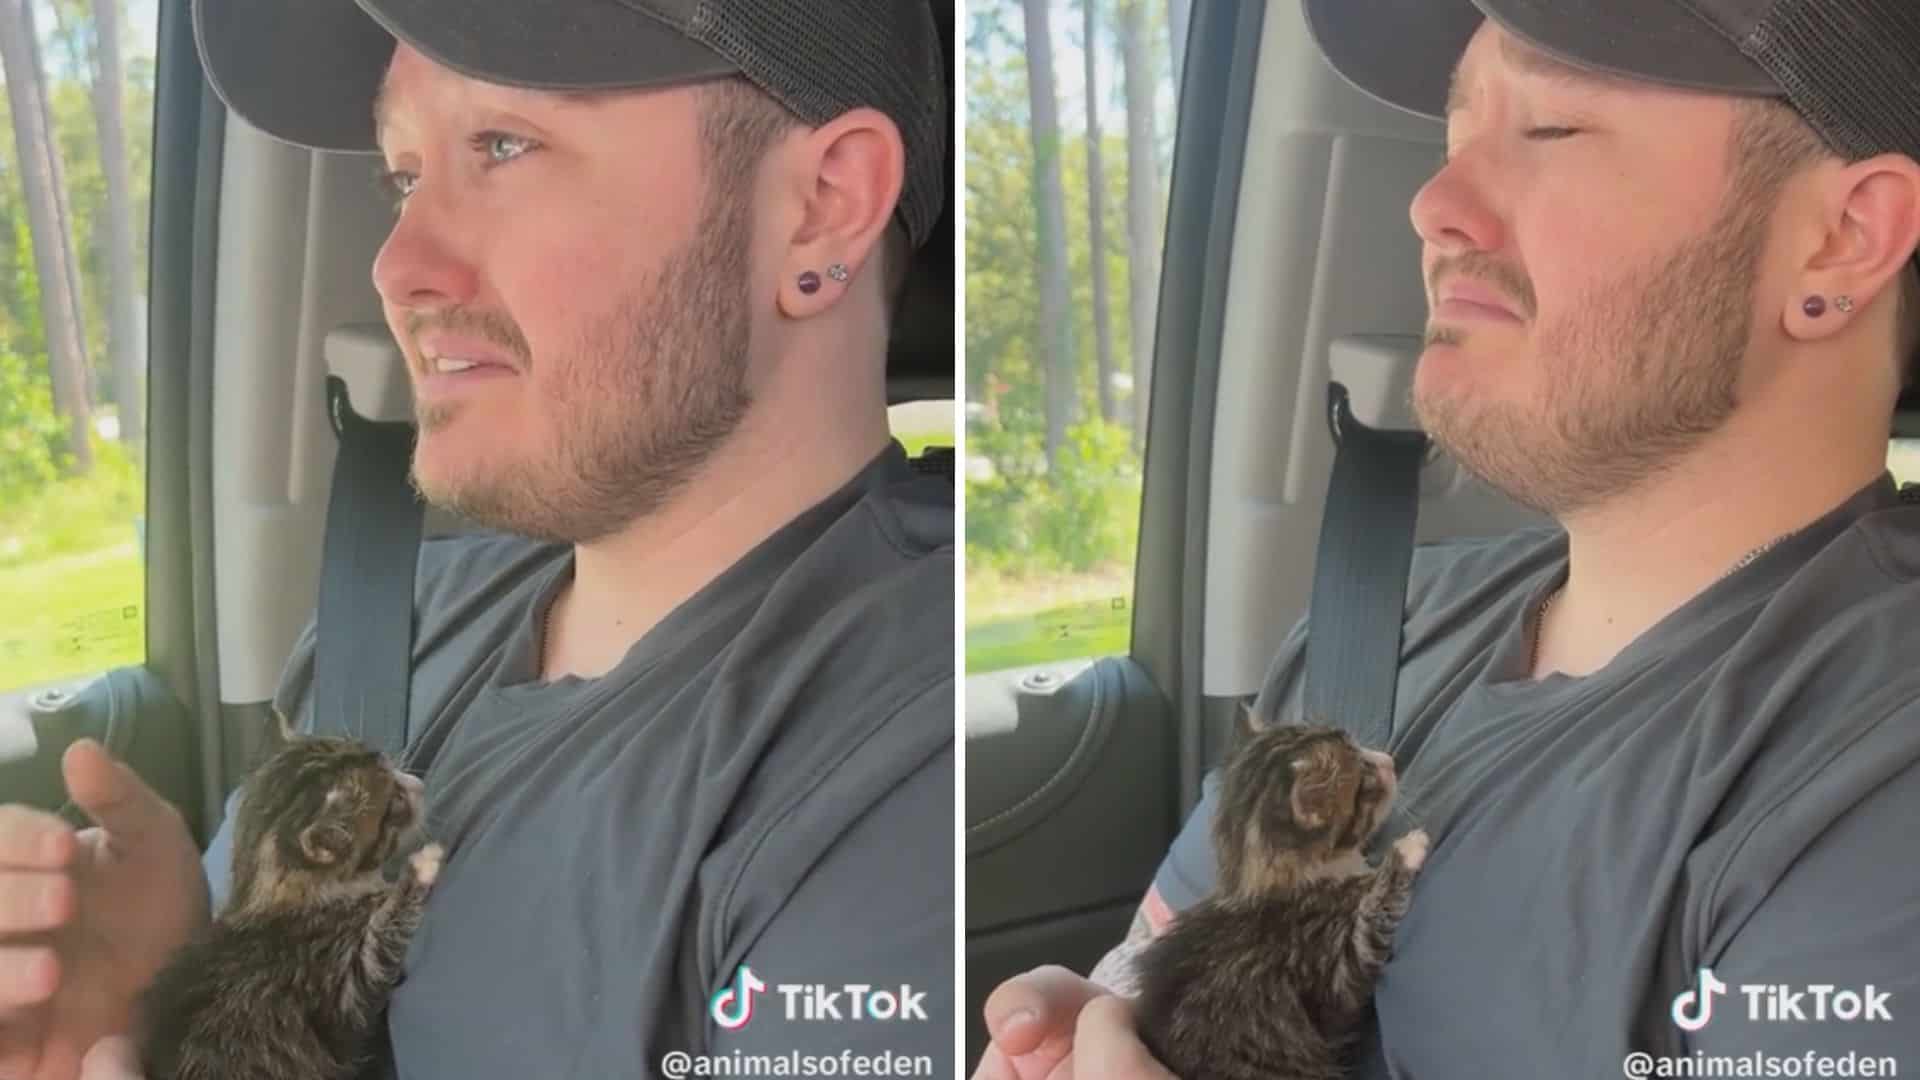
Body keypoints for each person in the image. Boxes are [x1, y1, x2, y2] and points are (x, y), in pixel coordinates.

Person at [0, 1, 953, 1078]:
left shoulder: (908, 757)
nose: (399, 267)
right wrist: (166, 999)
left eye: (503, 146)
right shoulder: (402, 620)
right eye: (405, 175)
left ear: (821, 210)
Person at [976, 0, 1920, 1077]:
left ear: (1839, 242)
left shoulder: (1874, 773)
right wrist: (1094, 1023)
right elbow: (1160, 960)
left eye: (1551, 129)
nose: (1432, 204)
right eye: (1450, 136)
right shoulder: (1382, 626)